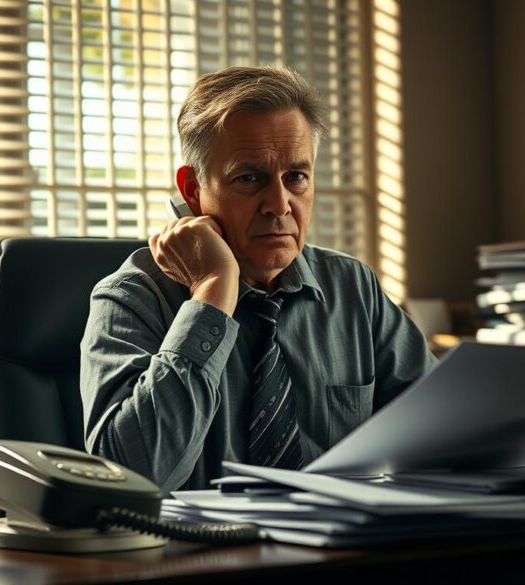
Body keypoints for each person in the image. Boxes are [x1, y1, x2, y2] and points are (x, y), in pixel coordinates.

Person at [80, 66, 437, 492]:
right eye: (250, 179)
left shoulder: (352, 288)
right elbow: (128, 479)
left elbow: (442, 433)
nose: (279, 205)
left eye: (296, 177)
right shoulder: (131, 298)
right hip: (200, 555)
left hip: (341, 550)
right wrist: (213, 292)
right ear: (192, 189)